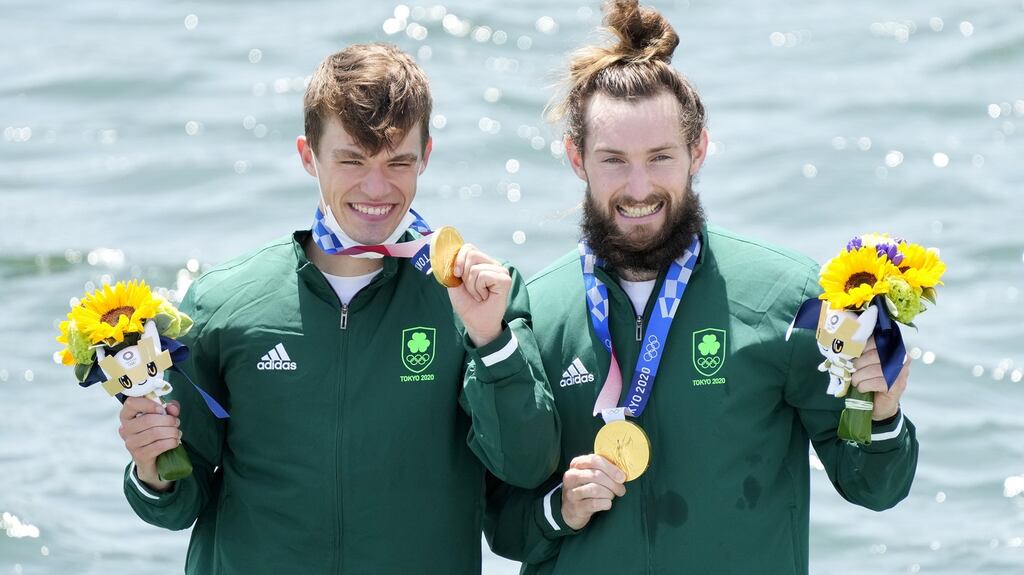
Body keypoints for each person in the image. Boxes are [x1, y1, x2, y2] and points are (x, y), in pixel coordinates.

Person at [484, 2, 918, 574]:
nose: (639, 187)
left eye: (660, 157)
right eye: (613, 160)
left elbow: (872, 486)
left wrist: (881, 415)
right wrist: (558, 509)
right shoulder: (530, 314)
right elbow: (503, 525)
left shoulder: (789, 298)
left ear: (698, 151)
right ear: (576, 159)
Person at [116, 43, 559, 574]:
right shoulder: (223, 303)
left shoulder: (478, 295)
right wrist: (152, 470)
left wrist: (492, 343)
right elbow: (177, 504)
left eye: (398, 161)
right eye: (351, 159)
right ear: (308, 155)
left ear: (427, 155)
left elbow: (527, 467)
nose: (377, 187)